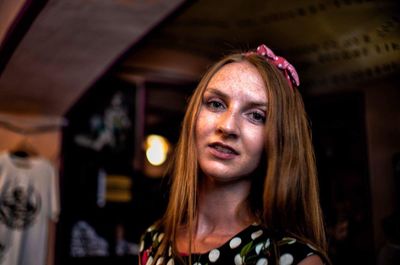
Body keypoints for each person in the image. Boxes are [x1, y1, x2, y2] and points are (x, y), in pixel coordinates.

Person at [139, 44, 330, 265]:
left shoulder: (293, 260)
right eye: (216, 104)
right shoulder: (154, 240)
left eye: (257, 116)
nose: (228, 126)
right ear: (193, 117)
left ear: (279, 139)